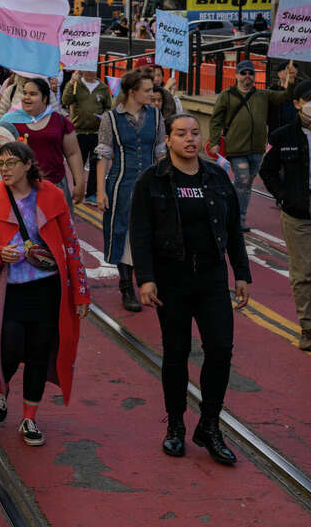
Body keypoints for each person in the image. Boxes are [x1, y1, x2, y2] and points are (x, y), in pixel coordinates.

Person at [130, 114, 251, 464]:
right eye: (181, 134)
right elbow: (140, 234)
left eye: (195, 133)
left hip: (212, 279)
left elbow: (232, 229)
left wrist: (240, 272)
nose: (190, 139)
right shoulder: (152, 180)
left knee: (220, 349)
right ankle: (176, 426)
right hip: (172, 280)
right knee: (177, 353)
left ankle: (210, 424)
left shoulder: (216, 176)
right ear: (168, 140)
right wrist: (146, 278)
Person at [0, 141, 90, 447]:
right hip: (8, 290)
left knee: (39, 352)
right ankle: (2, 384)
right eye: (0, 164)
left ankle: (29, 418)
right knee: (9, 347)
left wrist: (80, 293)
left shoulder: (52, 194)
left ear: (27, 165)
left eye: (11, 163)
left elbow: (71, 243)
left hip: (47, 288)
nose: (5, 169)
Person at [95, 68, 165, 312]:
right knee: (123, 234)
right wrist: (101, 191)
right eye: (147, 90)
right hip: (122, 184)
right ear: (132, 92)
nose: (152, 94)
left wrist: (166, 183)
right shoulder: (110, 118)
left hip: (150, 183)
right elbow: (103, 155)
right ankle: (127, 287)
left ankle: (148, 281)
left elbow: (160, 153)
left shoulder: (156, 116)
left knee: (149, 233)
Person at [207, 58, 298, 229]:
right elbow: (215, 121)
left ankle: (234, 211)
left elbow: (285, 97)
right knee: (242, 181)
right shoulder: (227, 96)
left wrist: (291, 81)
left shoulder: (263, 95)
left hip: (256, 149)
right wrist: (214, 142)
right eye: (243, 73)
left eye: (251, 73)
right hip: (236, 148)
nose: (247, 76)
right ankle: (238, 219)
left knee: (246, 184)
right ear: (236, 75)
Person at [259, 81, 311, 351]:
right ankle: (308, 327)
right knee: (304, 273)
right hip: (298, 213)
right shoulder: (281, 136)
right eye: (309, 99)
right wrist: (283, 197)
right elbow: (267, 170)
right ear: (297, 104)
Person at [0, 77, 86, 203]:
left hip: (54, 187)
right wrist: (7, 155)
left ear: (45, 98)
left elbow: (73, 153)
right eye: (25, 93)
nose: (26, 97)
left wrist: (80, 182)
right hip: (19, 190)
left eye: (33, 94)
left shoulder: (59, 121)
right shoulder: (10, 119)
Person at [61, 69, 113, 203]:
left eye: (94, 70)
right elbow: (65, 100)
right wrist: (71, 82)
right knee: (78, 163)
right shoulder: (76, 84)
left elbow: (108, 107)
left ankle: (91, 193)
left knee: (96, 163)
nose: (91, 73)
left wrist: (105, 117)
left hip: (97, 132)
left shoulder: (103, 88)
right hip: (79, 132)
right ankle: (78, 188)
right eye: (88, 70)